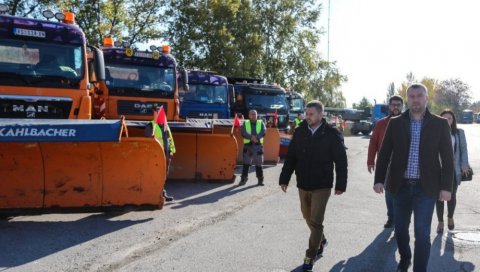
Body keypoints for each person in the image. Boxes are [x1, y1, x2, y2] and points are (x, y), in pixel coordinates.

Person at [374, 83, 454, 272]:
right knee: (400, 230)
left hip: (426, 189)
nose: (415, 99)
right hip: (400, 186)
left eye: (419, 96)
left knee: (422, 233)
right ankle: (405, 257)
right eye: (412, 96)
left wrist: (446, 187)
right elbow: (385, 153)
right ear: (407, 99)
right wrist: (378, 179)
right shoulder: (396, 123)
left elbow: (448, 158)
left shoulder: (440, 124)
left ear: (426, 98)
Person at [279, 100, 348, 272]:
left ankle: (310, 255)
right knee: (307, 217)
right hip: (303, 183)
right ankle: (321, 239)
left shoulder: (332, 134)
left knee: (316, 222)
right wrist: (284, 178)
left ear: (320, 114)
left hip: (322, 185)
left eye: (310, 114)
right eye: (306, 113)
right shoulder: (300, 131)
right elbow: (291, 157)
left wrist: (341, 184)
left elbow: (341, 161)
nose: (307, 116)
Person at [367, 95, 404, 228]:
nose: (396, 107)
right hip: (386, 164)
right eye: (393, 104)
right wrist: (370, 160)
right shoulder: (381, 123)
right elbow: (373, 143)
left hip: (403, 164)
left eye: (398, 105)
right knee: (389, 194)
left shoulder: (408, 121)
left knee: (402, 194)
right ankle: (391, 218)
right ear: (389, 106)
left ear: (402, 106)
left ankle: (401, 220)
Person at [436, 109, 471, 233]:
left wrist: (464, 165)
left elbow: (463, 149)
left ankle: (450, 217)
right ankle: (440, 221)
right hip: (437, 170)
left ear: (453, 120)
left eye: (449, 118)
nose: (446, 121)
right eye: (444, 118)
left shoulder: (459, 133)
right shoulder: (435, 132)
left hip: (453, 171)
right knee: (438, 196)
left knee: (452, 196)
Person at [145, 107, 176, 202]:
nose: (159, 115)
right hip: (156, 156)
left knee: (163, 176)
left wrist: (171, 151)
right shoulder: (150, 126)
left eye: (160, 113)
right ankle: (153, 195)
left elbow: (169, 139)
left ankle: (162, 193)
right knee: (155, 175)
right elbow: (148, 141)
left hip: (166, 155)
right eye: (157, 113)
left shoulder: (166, 125)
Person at [239, 109, 266, 186]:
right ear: (249, 115)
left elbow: (263, 131)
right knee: (246, 163)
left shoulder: (261, 122)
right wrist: (251, 138)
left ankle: (260, 180)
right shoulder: (245, 123)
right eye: (252, 114)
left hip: (258, 146)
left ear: (257, 115)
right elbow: (243, 132)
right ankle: (243, 179)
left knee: (259, 164)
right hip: (248, 146)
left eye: (255, 114)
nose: (253, 115)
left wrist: (256, 137)